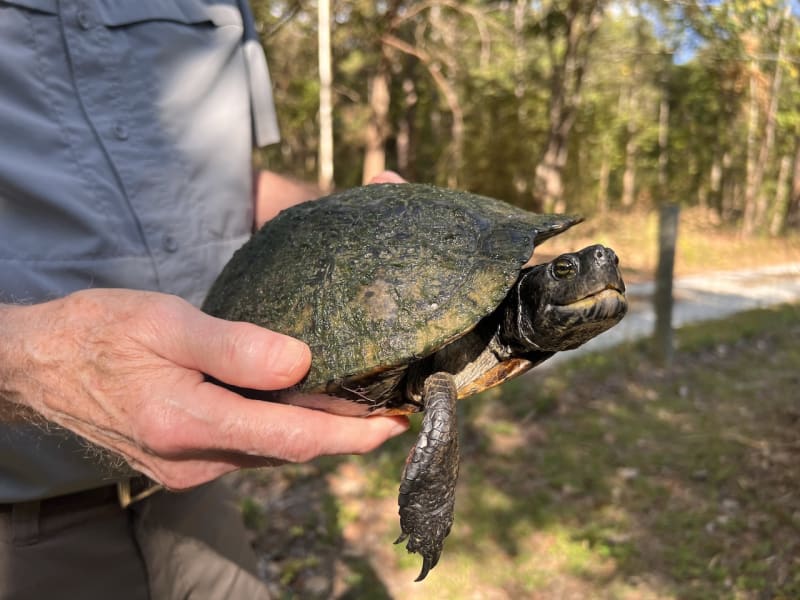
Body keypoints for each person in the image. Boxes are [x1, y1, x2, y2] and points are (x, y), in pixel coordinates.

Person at [0, 2, 408, 598]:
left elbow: (228, 185)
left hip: (194, 495)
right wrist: (32, 361)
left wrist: (345, 222)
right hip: (26, 520)